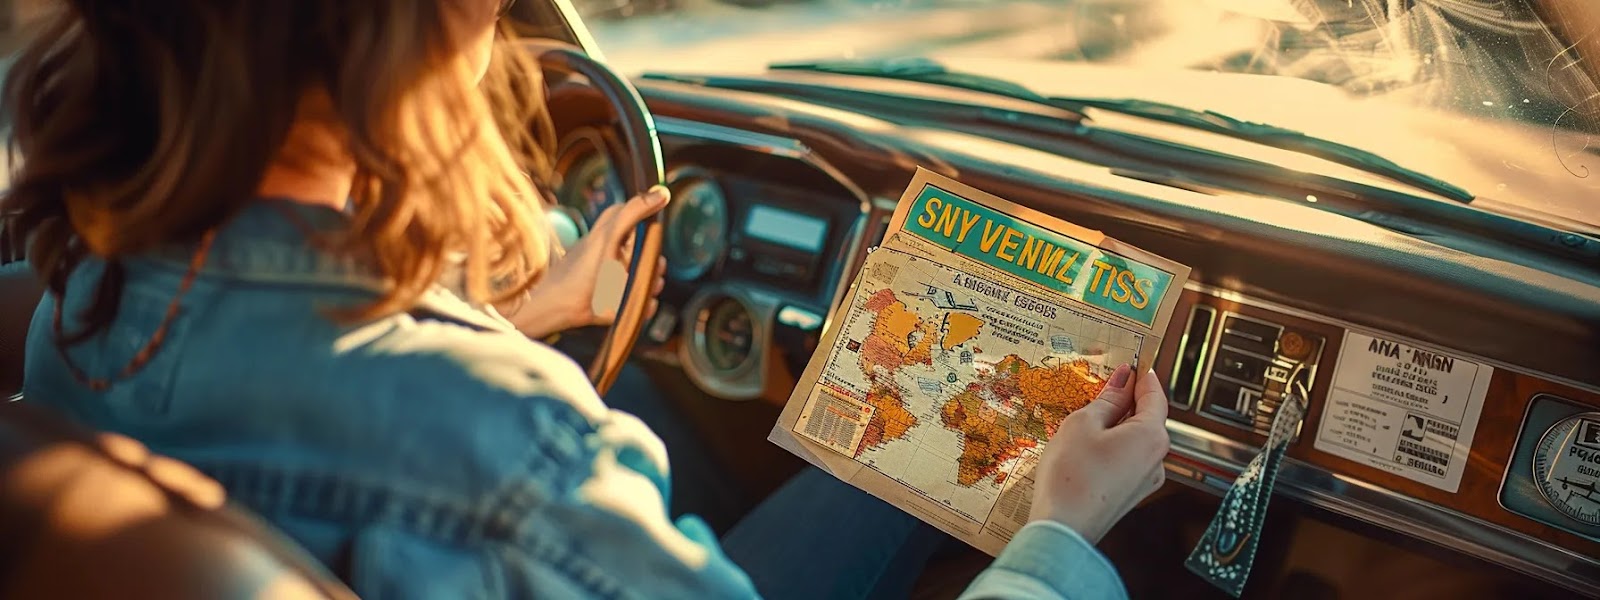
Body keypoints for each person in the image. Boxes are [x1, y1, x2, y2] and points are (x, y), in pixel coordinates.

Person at [3, 1, 1172, 598]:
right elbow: (440, 458)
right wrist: (1060, 535)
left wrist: (509, 325)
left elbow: (310, 441)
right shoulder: (518, 445)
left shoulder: (88, 304)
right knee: (910, 478)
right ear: (402, 65)